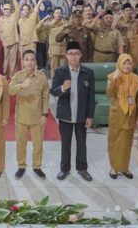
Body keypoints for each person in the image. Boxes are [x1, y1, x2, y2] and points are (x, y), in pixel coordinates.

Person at [51, 41, 95, 181]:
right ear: (66, 56)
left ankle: (82, 168)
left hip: (81, 115)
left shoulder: (88, 73)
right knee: (66, 143)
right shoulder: (60, 72)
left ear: (81, 55)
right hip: (65, 115)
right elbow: (54, 92)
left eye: (77, 54)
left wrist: (90, 116)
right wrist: (63, 88)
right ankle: (65, 169)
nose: (74, 57)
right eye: (71, 54)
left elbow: (91, 96)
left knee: (82, 143)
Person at [9, 50, 49, 179]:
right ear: (23, 62)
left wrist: (44, 114)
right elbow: (10, 91)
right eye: (27, 59)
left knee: (38, 144)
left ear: (36, 62)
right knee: (21, 143)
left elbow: (45, 97)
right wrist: (21, 85)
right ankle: (21, 166)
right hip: (21, 117)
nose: (30, 62)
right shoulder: (18, 76)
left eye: (32, 59)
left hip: (37, 118)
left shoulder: (42, 77)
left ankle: (37, 166)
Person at [106, 54, 138, 179]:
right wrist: (114, 80)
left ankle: (124, 168)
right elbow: (109, 94)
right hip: (117, 115)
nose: (127, 66)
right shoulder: (112, 76)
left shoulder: (137, 79)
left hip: (130, 116)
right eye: (124, 63)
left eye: (129, 63)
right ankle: (114, 168)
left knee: (127, 143)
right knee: (114, 142)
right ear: (119, 64)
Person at [0, 0, 20, 76]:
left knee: (13, 59)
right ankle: (3, 73)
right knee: (5, 59)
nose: (6, 11)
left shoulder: (13, 17)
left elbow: (17, 9)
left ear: (10, 10)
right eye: (5, 9)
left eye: (8, 9)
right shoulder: (1, 19)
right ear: (2, 10)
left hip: (13, 41)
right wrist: (1, 40)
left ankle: (12, 75)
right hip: (4, 43)